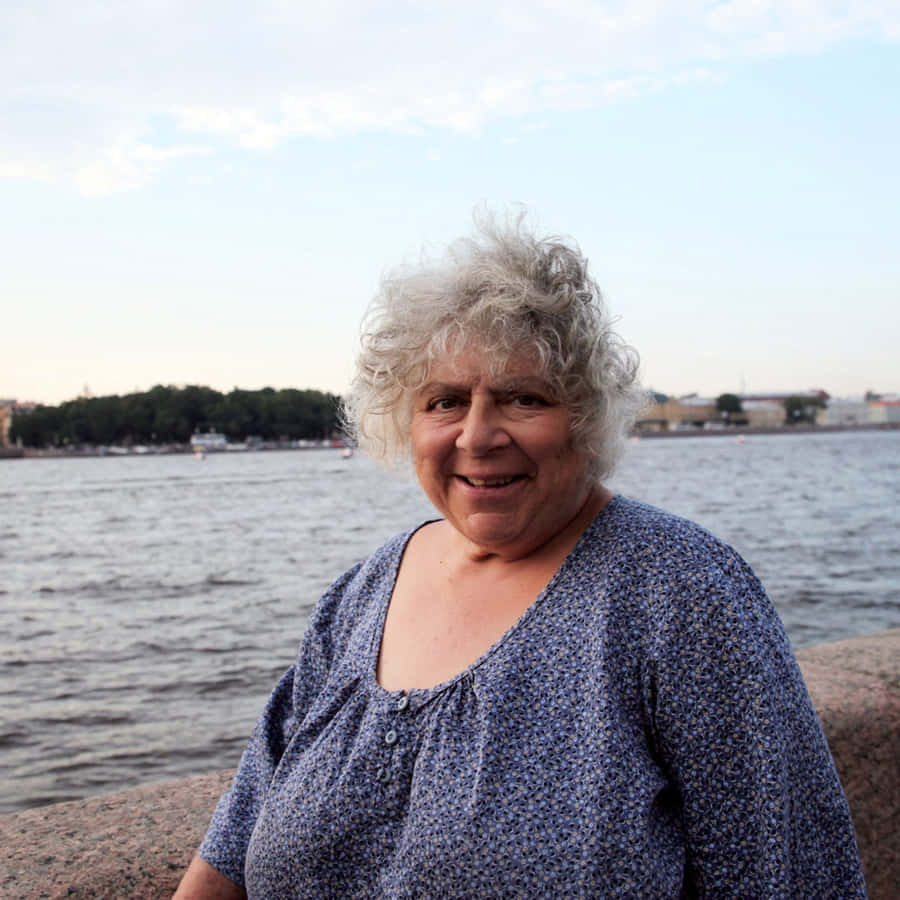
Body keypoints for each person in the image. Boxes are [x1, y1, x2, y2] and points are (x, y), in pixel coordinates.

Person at [173, 213, 866, 899]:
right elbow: (230, 854)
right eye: (444, 401)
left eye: (522, 398)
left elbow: (791, 875)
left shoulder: (681, 593)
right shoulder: (357, 598)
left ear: (586, 416)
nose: (477, 435)